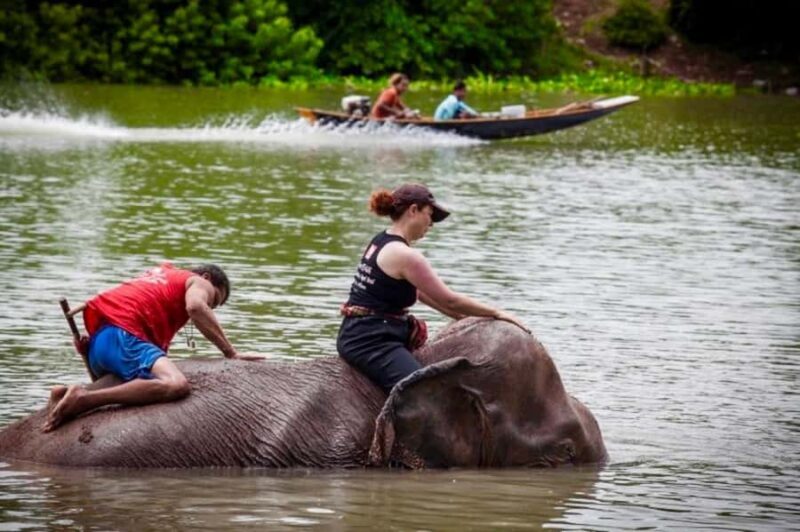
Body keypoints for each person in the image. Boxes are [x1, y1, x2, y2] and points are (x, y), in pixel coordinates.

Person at [337, 183, 529, 393]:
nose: (431, 224)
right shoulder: (405, 255)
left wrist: (459, 317)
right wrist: (496, 313)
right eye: (430, 215)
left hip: (361, 331)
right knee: (424, 393)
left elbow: (421, 292)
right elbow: (450, 298)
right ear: (413, 210)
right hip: (372, 341)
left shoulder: (381, 240)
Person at [43, 263, 262, 432]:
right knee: (176, 384)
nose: (210, 305)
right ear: (206, 278)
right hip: (124, 335)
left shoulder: (162, 274)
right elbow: (195, 306)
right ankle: (84, 398)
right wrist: (230, 353)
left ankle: (61, 394)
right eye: (214, 299)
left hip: (99, 344)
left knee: (142, 382)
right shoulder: (198, 282)